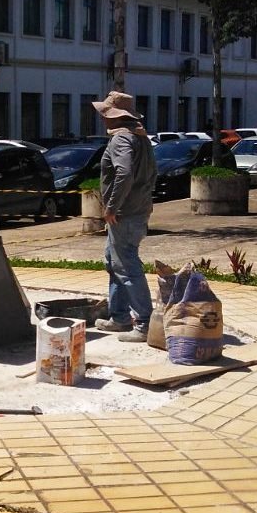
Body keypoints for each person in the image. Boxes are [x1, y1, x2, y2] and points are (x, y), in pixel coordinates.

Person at [92, 91, 157, 343]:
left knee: (127, 266)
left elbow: (124, 173)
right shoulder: (140, 137)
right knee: (114, 261)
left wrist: (111, 206)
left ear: (115, 116)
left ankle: (144, 323)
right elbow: (152, 173)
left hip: (124, 214)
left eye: (105, 114)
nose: (102, 118)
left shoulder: (121, 139)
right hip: (136, 210)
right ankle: (119, 317)